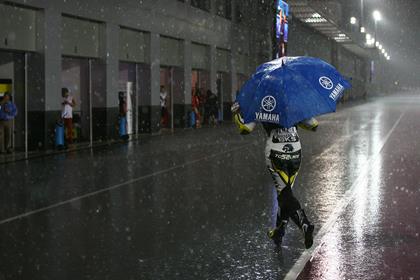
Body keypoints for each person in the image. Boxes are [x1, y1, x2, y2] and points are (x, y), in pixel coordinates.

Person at [231, 102, 318, 249]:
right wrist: (299, 115)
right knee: (286, 192)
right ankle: (279, 230)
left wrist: (236, 113)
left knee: (284, 193)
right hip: (295, 151)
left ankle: (304, 223)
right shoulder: (293, 102)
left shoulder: (261, 102)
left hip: (276, 152)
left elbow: (245, 128)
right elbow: (313, 125)